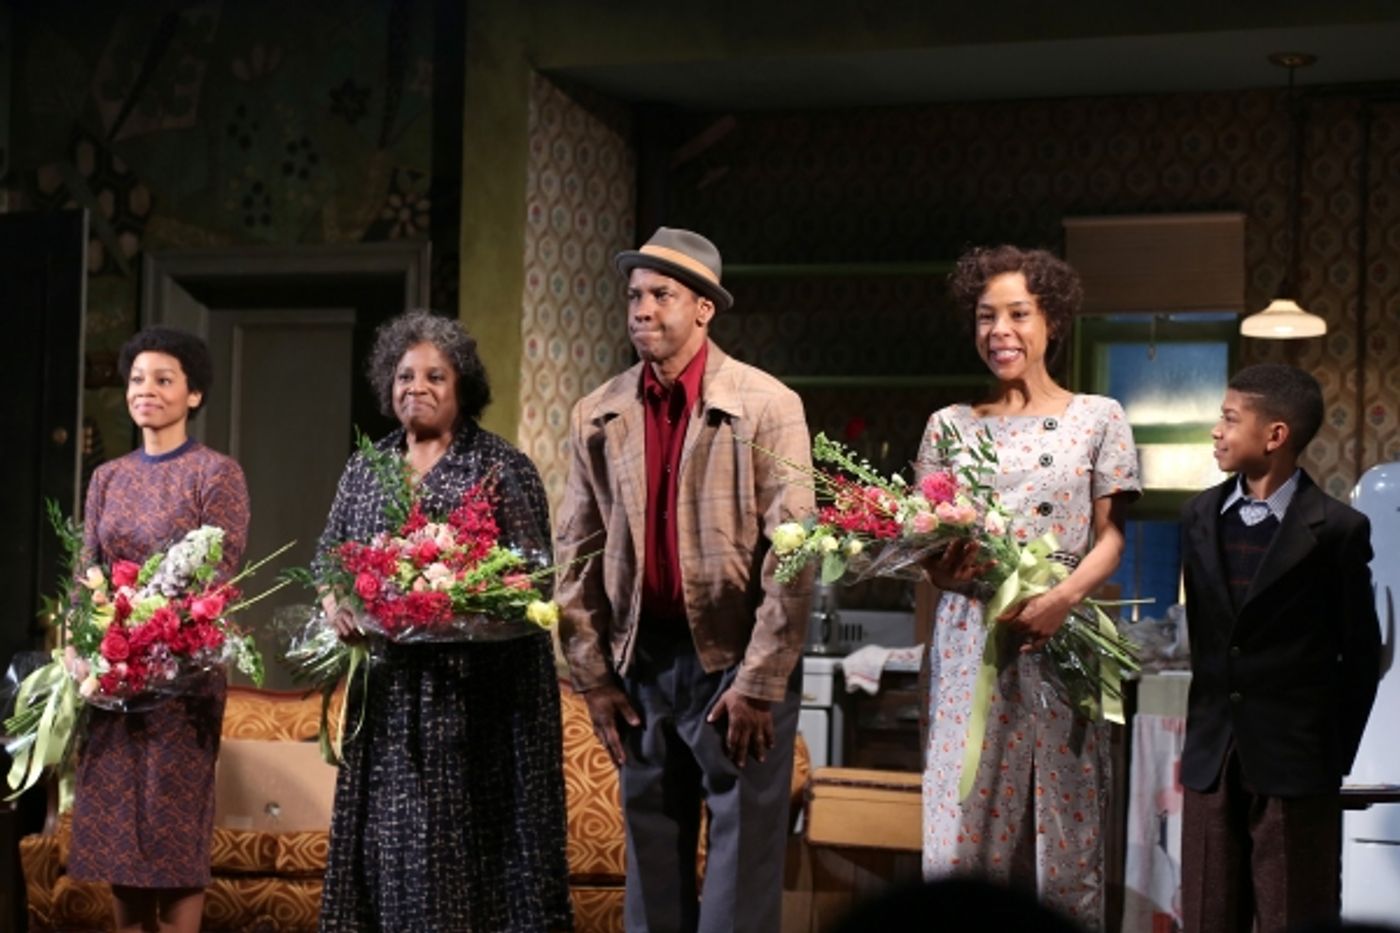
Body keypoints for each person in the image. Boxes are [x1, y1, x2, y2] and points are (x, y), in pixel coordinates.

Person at [554, 227, 815, 933]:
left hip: (734, 664)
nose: (642, 308)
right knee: (653, 862)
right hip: (641, 664)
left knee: (740, 877)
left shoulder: (765, 404)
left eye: (661, 294)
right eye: (634, 294)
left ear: (704, 309)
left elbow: (794, 551)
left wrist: (761, 680)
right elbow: (575, 551)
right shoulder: (600, 413)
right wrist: (593, 676)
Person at [316, 310, 572, 932]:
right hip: (392, 697)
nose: (417, 387)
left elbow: (534, 579)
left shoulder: (500, 466)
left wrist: (462, 599)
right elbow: (329, 557)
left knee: (473, 848)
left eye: (435, 376)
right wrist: (337, 600)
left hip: (478, 702)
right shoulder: (365, 467)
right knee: (391, 848)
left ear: (463, 388)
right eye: (404, 376)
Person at [917, 245, 1140, 928]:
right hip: (968, 646)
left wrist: (1062, 598)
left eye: (1018, 313)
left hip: (1060, 640)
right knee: (966, 817)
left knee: (1061, 818)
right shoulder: (949, 425)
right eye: (986, 316)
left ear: (1052, 321)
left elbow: (1111, 538)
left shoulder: (1098, 417)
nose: (1000, 331)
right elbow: (928, 546)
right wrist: (944, 568)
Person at [1178, 364, 1380, 933]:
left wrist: (1328, 755)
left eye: (1229, 418)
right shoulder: (1198, 516)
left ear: (1276, 435)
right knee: (1207, 914)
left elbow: (1360, 656)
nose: (1217, 430)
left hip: (1297, 762)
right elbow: (1205, 636)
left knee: (1297, 914)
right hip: (1212, 757)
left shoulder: (1338, 528)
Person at [69, 326, 250, 933]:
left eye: (164, 379)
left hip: (182, 682)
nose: (146, 390)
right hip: (114, 679)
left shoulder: (215, 473)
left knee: (172, 842)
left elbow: (217, 573)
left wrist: (154, 631)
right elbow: (85, 572)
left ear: (194, 394)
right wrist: (80, 647)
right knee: (122, 837)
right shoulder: (107, 478)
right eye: (138, 379)